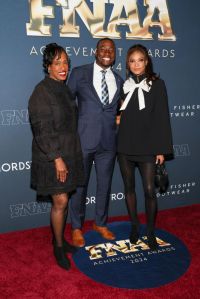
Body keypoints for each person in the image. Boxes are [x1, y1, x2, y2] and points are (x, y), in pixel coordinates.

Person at [28, 43, 84, 270]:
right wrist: (57, 158)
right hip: (52, 155)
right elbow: (42, 129)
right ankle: (58, 247)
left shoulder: (64, 88)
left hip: (68, 151)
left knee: (64, 199)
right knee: (60, 201)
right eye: (57, 62)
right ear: (48, 66)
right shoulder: (41, 91)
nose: (63, 67)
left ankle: (59, 239)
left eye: (65, 62)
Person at [68, 38, 124, 247]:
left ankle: (100, 223)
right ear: (96, 52)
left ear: (115, 54)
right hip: (83, 140)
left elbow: (117, 110)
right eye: (103, 48)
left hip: (108, 143)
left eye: (111, 49)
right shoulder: (79, 73)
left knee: (105, 185)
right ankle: (76, 227)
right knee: (79, 186)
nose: (107, 52)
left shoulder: (119, 80)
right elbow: (67, 103)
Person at [117, 44, 173, 250]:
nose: (136, 64)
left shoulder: (157, 84)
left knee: (149, 191)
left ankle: (150, 231)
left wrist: (161, 149)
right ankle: (134, 225)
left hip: (148, 146)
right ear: (128, 64)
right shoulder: (125, 84)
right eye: (132, 61)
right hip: (124, 145)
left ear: (147, 61)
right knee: (129, 189)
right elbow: (119, 112)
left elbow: (162, 118)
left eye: (140, 60)